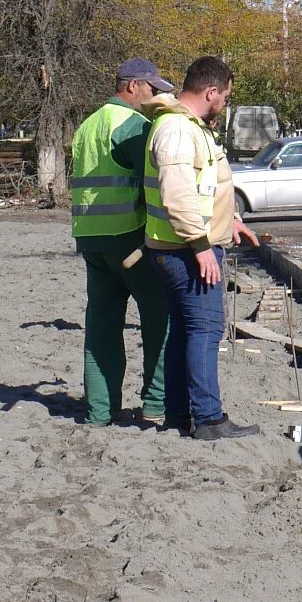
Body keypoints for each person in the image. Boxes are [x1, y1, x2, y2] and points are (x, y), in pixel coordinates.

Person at [142, 56, 261, 440]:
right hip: (184, 250)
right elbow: (177, 196)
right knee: (207, 330)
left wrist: (230, 222)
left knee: (185, 331)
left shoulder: (187, 127)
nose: (224, 104)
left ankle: (179, 415)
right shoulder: (178, 129)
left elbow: (203, 189)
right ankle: (209, 419)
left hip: (180, 246)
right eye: (224, 97)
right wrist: (201, 246)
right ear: (211, 92)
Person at [70, 58, 174, 427]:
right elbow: (156, 177)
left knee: (101, 328)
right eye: (152, 89)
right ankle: (155, 405)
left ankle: (99, 411)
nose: (155, 96)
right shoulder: (133, 125)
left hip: (91, 241)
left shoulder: (87, 125)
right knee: (158, 321)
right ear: (132, 86)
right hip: (131, 240)